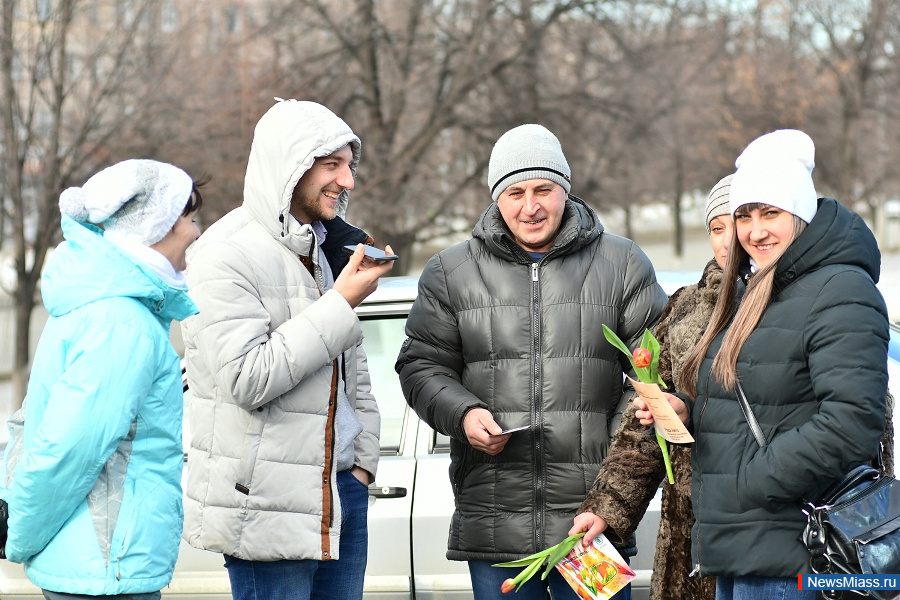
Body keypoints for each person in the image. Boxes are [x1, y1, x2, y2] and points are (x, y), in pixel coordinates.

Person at [395, 123, 668, 600]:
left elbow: (656, 370)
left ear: (566, 189)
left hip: (591, 524)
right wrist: (464, 414)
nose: (530, 206)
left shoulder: (622, 263)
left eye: (544, 189)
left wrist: (612, 468)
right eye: (515, 192)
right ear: (496, 197)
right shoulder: (450, 272)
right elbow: (421, 366)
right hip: (496, 522)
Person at [632, 129, 890, 600]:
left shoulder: (840, 289)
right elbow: (760, 390)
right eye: (744, 216)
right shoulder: (759, 288)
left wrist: (754, 481)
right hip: (740, 544)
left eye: (771, 212)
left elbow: (854, 419)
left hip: (794, 550)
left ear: (801, 213)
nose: (754, 231)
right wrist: (684, 407)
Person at [180, 99, 394, 600]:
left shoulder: (319, 248)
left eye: (349, 165)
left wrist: (361, 463)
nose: (347, 181)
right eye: (332, 165)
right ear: (291, 165)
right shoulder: (221, 255)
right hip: (267, 503)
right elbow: (248, 379)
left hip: (341, 492)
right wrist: (340, 303)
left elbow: (352, 370)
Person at [0, 159, 204, 599]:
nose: (196, 231)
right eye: (189, 218)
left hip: (95, 561)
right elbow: (67, 449)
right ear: (158, 226)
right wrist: (19, 535)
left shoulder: (102, 306)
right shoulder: (121, 322)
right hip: (105, 565)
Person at [570, 174, 736, 600]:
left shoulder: (799, 303)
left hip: (779, 537)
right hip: (690, 544)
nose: (728, 239)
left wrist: (692, 409)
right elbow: (643, 429)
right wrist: (606, 508)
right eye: (716, 228)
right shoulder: (684, 307)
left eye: (738, 221)